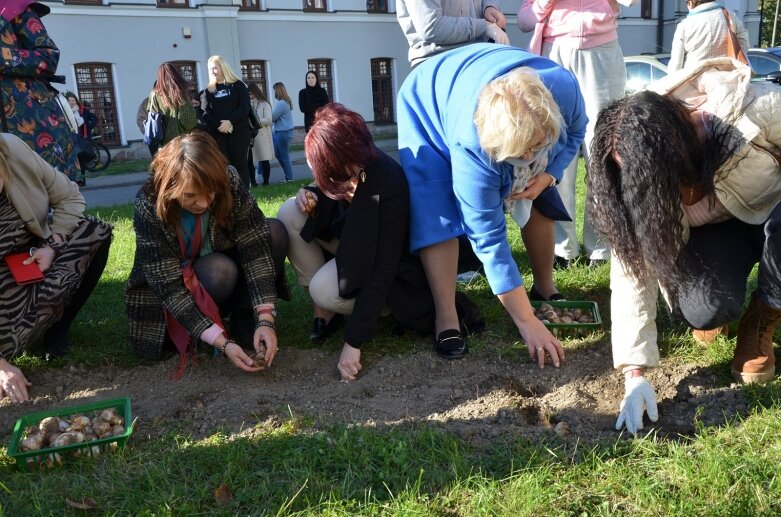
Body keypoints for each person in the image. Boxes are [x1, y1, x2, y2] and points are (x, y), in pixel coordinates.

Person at [587, 58, 781, 434]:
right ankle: (728, 309)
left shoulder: (758, 110)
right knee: (706, 309)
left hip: (774, 211)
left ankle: (764, 314)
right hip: (722, 230)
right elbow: (633, 265)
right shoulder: (631, 153)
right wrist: (635, 372)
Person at [397, 43, 586, 361]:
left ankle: (544, 288)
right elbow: (489, 242)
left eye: (534, 147)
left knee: (537, 192)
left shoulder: (563, 88)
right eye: (518, 154)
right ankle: (446, 317)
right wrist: (526, 322)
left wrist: (549, 173)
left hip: (487, 85)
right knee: (437, 213)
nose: (528, 158)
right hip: (427, 102)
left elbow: (577, 130)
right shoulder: (472, 147)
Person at [278, 103, 483, 379]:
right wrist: (310, 192)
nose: (351, 181)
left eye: (354, 172)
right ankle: (324, 314)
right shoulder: (336, 172)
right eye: (340, 177)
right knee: (289, 211)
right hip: (354, 246)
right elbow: (333, 204)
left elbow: (383, 267)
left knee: (323, 288)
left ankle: (380, 309)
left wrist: (354, 342)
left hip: (392, 267)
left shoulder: (386, 182)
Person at [125, 132, 290, 374]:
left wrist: (266, 317)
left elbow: (254, 244)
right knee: (219, 270)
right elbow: (169, 287)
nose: (202, 203)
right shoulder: (149, 203)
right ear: (170, 187)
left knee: (272, 231)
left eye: (209, 192)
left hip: (222, 267)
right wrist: (222, 343)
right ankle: (208, 331)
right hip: (181, 287)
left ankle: (247, 320)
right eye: (190, 195)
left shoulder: (228, 179)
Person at [518, 0, 636, 269]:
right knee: (556, 148)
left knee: (604, 147)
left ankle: (602, 245)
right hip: (555, 52)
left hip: (602, 51)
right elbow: (525, 19)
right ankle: (561, 247)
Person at [0, 133, 112, 404]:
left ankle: (57, 327)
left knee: (94, 232)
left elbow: (70, 197)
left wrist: (52, 245)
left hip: (30, 256)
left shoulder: (13, 149)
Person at [0, 1, 80, 181]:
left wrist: (4, 57)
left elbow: (48, 57)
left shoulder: (12, 8)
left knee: (47, 196)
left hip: (28, 124)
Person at [396, 0, 509, 67]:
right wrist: (484, 26)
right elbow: (431, 26)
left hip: (477, 54)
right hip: (438, 60)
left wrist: (488, 7)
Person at [200, 55, 252, 188]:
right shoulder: (208, 91)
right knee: (224, 167)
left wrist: (230, 122)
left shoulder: (238, 86)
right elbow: (204, 113)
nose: (212, 71)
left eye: (215, 68)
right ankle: (229, 197)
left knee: (240, 165)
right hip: (218, 134)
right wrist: (220, 125)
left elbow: (244, 107)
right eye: (210, 69)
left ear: (223, 68)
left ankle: (245, 196)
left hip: (239, 132)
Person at [667, 0, 749, 72]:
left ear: (691, 2)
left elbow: (675, 66)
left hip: (695, 84)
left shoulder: (684, 26)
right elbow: (744, 46)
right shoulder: (730, 17)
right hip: (727, 81)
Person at [146, 63, 198, 155]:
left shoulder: (154, 94)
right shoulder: (182, 91)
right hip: (185, 141)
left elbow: (152, 120)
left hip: (166, 144)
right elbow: (189, 122)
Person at [64, 92, 98, 186]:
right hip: (71, 139)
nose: (71, 102)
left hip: (83, 138)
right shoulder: (66, 112)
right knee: (73, 160)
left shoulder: (82, 110)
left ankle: (82, 180)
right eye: (69, 100)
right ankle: (73, 180)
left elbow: (94, 118)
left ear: (76, 101)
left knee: (82, 160)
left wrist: (89, 126)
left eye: (73, 100)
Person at [248, 83, 274, 186]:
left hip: (262, 135)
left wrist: (255, 121)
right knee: (250, 160)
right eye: (248, 94)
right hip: (251, 135)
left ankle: (266, 182)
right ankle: (253, 182)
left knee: (264, 159)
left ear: (256, 92)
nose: (250, 95)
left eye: (251, 93)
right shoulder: (247, 104)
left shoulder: (264, 104)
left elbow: (268, 119)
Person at [271, 82, 295, 183]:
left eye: (274, 91)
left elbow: (273, 117)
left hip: (283, 132)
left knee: (284, 155)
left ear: (277, 91)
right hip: (281, 132)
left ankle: (289, 178)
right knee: (278, 154)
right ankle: (288, 176)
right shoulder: (285, 102)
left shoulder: (281, 103)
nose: (273, 93)